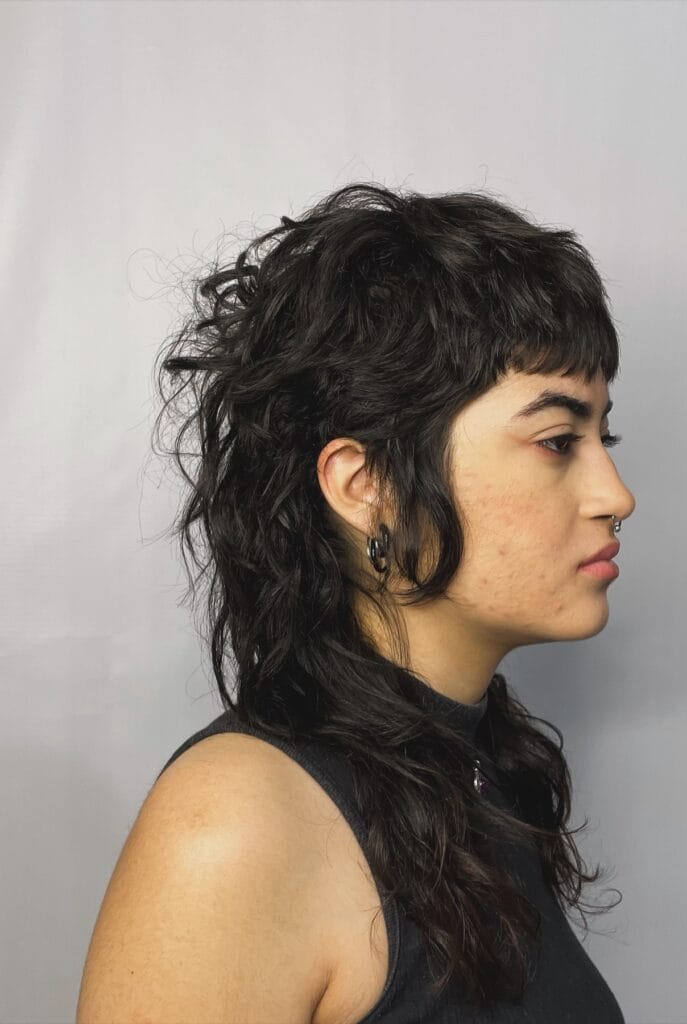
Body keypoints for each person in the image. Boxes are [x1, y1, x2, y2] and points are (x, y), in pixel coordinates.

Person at [76, 182, 636, 1023]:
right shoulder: (238, 825)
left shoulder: (478, 764)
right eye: (558, 441)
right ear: (365, 484)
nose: (614, 494)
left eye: (604, 437)